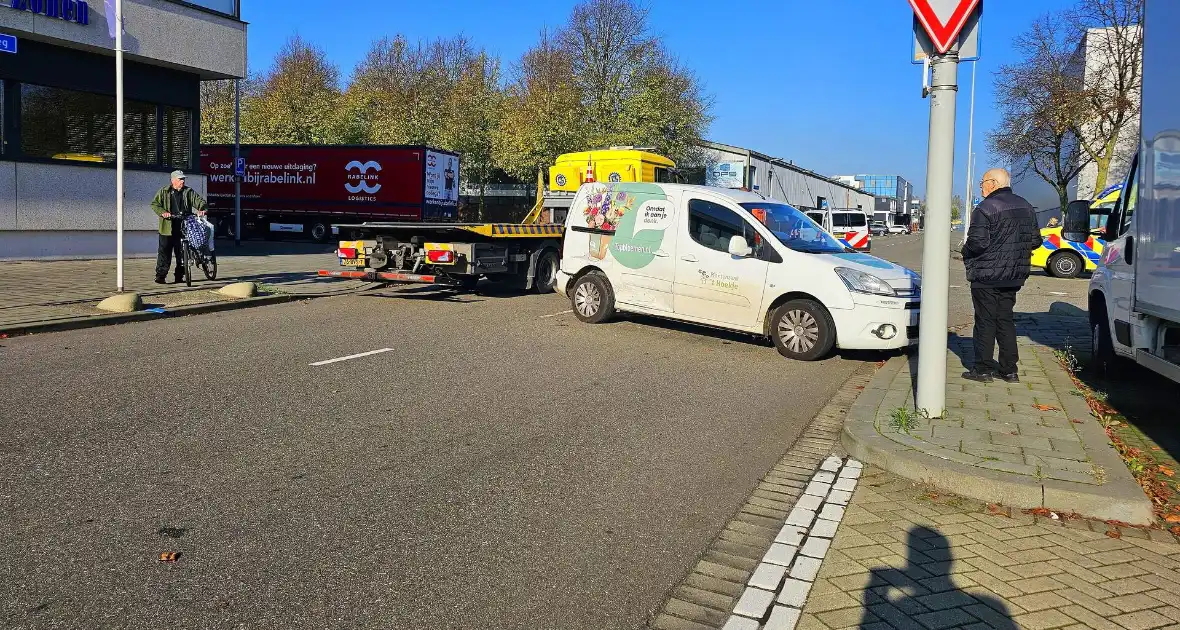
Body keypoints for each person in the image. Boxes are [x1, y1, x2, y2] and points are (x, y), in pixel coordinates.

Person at [960, 168, 1042, 383]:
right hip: (1014, 275)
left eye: (983, 182)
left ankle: (983, 369)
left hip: (986, 275)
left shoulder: (985, 208)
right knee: (1005, 319)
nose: (981, 186)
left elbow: (977, 243)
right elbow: (1035, 241)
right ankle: (1009, 370)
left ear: (993, 183)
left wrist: (965, 252)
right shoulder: (1025, 206)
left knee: (985, 320)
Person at [150, 170, 208, 284]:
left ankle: (179, 276)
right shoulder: (164, 191)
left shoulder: (188, 191)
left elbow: (199, 201)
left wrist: (202, 209)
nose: (182, 181)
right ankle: (160, 276)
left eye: (183, 179)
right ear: (173, 180)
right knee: (164, 252)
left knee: (181, 252)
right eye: (180, 179)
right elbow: (154, 204)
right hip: (167, 226)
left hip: (184, 225)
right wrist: (163, 212)